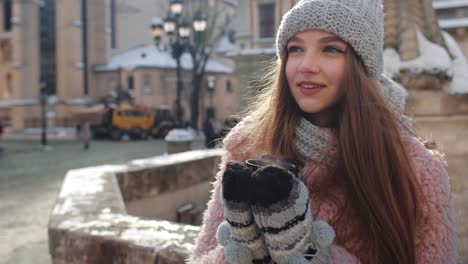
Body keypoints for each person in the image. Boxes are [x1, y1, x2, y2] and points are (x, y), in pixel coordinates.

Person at [189, 0, 457, 263]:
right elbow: (202, 257)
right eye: (295, 49)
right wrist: (247, 249)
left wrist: (313, 252)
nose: (306, 65)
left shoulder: (416, 171)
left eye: (330, 48)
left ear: (361, 65)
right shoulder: (248, 146)